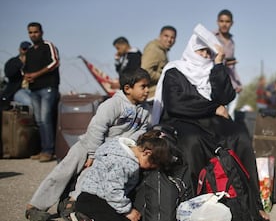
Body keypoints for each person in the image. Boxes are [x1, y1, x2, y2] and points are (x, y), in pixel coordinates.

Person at [152, 31, 269, 221]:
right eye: (201, 52)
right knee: (193, 142)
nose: (205, 56)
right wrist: (213, 108)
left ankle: (251, 204)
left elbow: (226, 96)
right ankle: (193, 205)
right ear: (191, 50)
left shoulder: (212, 70)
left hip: (208, 120)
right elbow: (176, 104)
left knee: (239, 134)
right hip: (182, 119)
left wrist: (219, 64)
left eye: (208, 52)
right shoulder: (174, 70)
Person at [25, 68, 151, 221]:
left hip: (111, 152)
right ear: (127, 89)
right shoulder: (113, 104)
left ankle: (72, 204)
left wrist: (123, 149)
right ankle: (35, 206)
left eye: (148, 86)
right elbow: (97, 128)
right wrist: (93, 153)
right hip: (89, 145)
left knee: (88, 178)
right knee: (64, 172)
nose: (147, 90)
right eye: (143, 86)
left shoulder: (145, 111)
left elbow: (142, 130)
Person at [74, 130, 172, 221]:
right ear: (146, 153)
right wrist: (128, 211)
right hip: (96, 200)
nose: (151, 168)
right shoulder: (124, 164)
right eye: (153, 164)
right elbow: (113, 191)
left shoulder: (116, 146)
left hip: (92, 194)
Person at [23, 22, 60, 162]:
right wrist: (26, 75)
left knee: (46, 119)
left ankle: (49, 151)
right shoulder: (30, 51)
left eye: (35, 32)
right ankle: (43, 149)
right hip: (34, 89)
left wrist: (36, 74)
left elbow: (54, 62)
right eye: (30, 32)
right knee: (39, 120)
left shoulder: (48, 46)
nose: (33, 35)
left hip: (48, 87)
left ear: (41, 32)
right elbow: (25, 67)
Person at [215, 9, 242, 118]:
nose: (224, 24)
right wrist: (223, 61)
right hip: (215, 81)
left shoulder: (231, 42)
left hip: (229, 83)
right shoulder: (212, 37)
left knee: (230, 115)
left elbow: (232, 67)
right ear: (217, 22)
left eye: (227, 21)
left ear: (232, 23)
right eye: (221, 21)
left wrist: (237, 83)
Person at [141, 26, 177, 101]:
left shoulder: (162, 50)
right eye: (166, 36)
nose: (169, 40)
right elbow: (145, 71)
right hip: (151, 96)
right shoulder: (154, 49)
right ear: (160, 36)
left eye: (172, 37)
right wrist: (165, 77)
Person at [1, 41, 32, 106]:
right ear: (20, 49)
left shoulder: (35, 63)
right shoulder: (12, 62)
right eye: (24, 49)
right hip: (17, 90)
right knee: (29, 102)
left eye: (29, 50)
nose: (26, 51)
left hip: (33, 90)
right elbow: (9, 74)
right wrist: (22, 64)